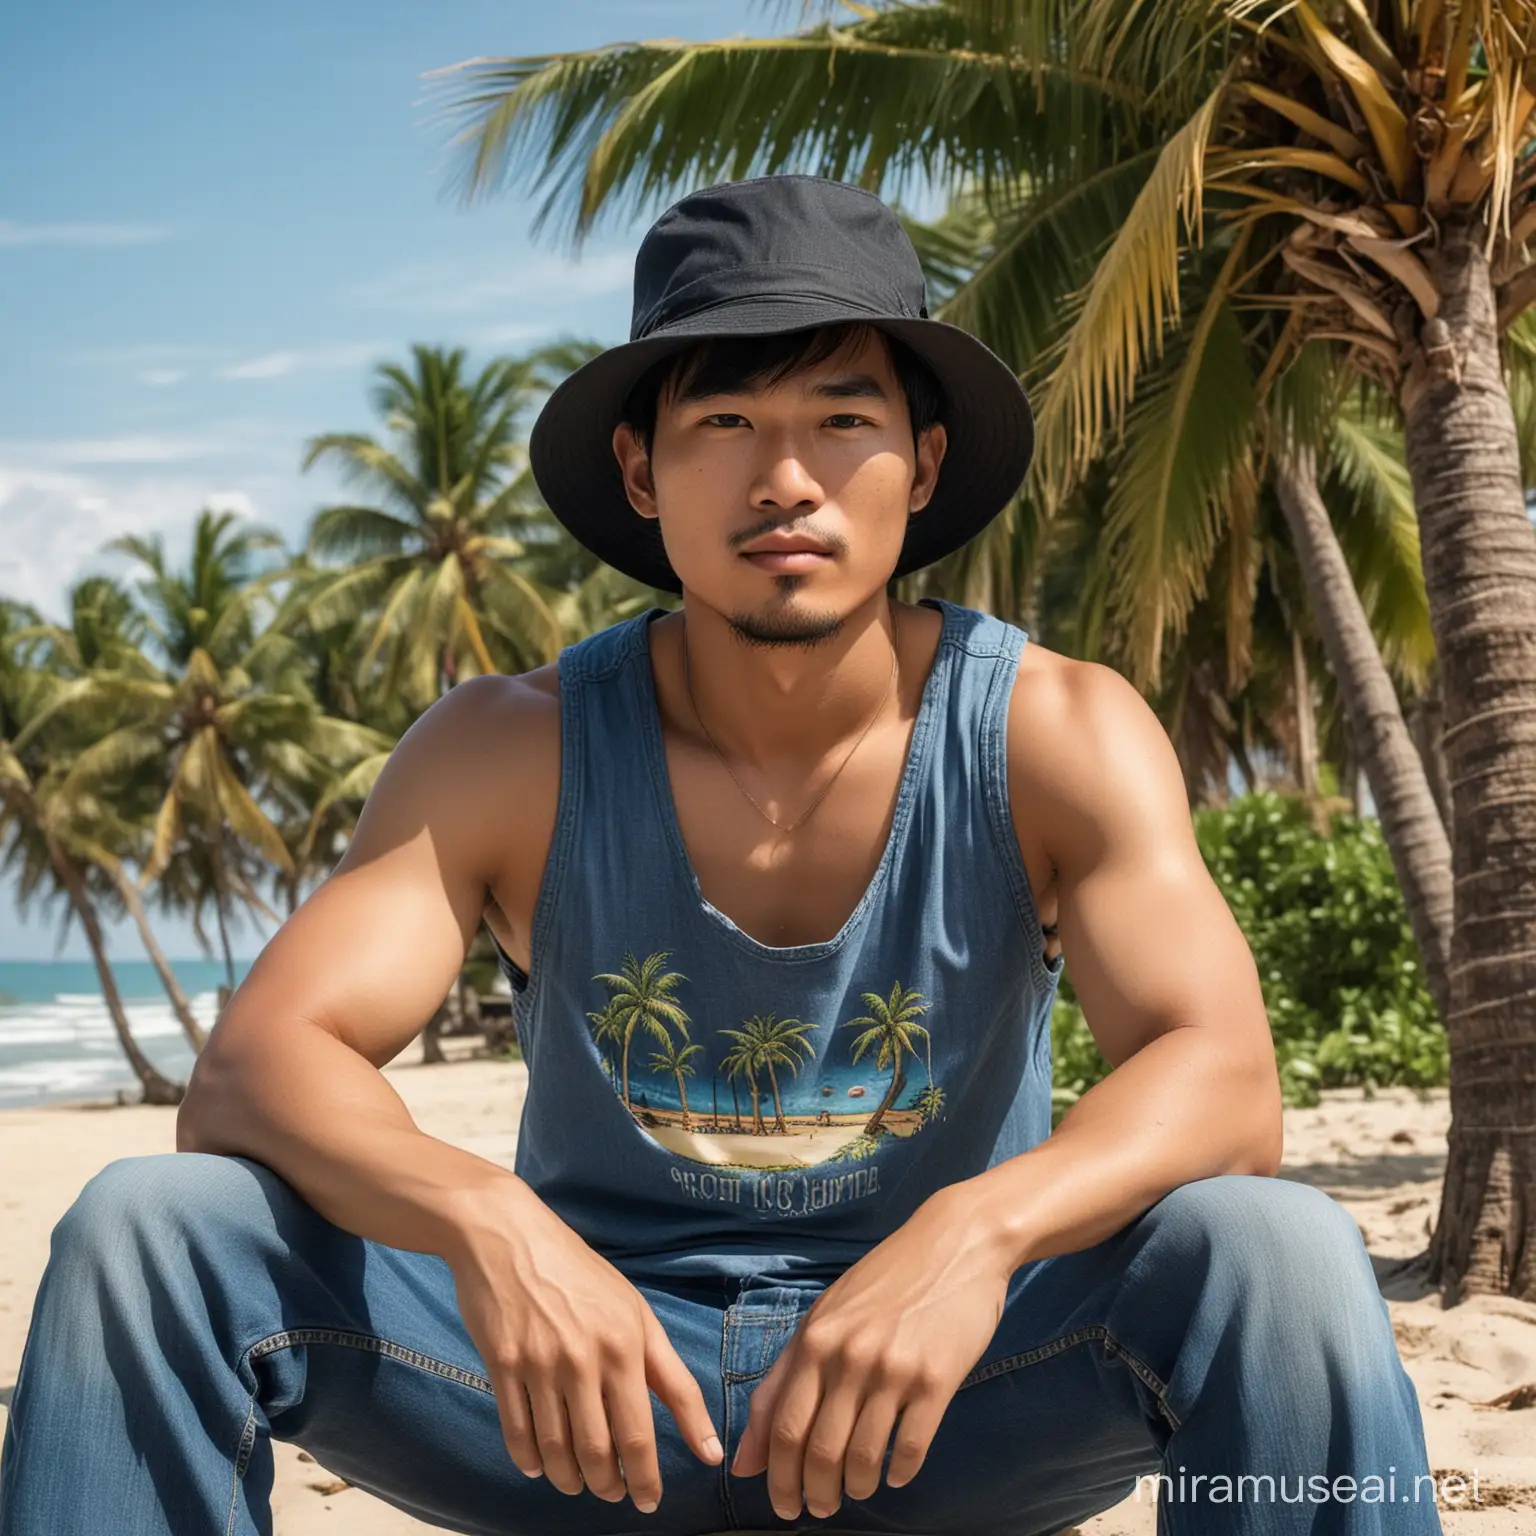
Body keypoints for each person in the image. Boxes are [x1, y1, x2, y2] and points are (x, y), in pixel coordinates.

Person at [0, 175, 1442, 1536]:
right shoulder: (516, 747)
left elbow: (1226, 1078)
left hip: (949, 1398)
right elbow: (256, 1066)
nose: (787, 479)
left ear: (924, 461)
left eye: (842, 419)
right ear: (640, 470)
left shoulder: (1050, 732)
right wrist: (488, 1223)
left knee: (1281, 1256)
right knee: (151, 1230)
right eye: (727, 424)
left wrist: (974, 1236)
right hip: (583, 1406)